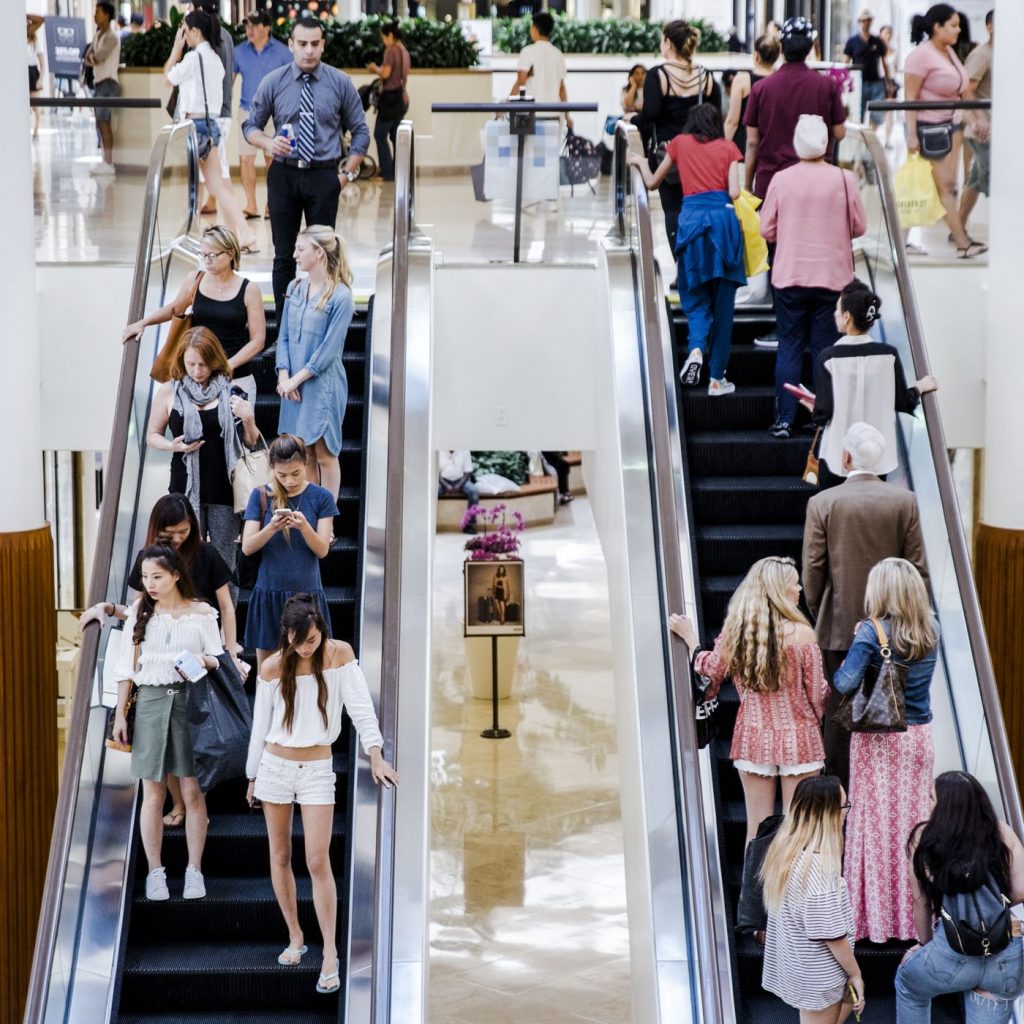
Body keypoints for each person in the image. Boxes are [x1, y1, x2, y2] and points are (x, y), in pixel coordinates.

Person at [246, 596, 397, 994]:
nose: (305, 648)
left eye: (310, 639)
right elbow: (260, 724)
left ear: (321, 630)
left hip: (317, 768)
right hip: (275, 767)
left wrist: (376, 754)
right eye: (297, 642)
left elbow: (361, 707)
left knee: (316, 858)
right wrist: (251, 775)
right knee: (279, 855)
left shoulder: (339, 654)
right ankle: (296, 935)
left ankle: (330, 950)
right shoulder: (273, 665)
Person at [81, 493, 243, 830]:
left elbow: (225, 606)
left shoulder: (206, 555)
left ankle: (194, 802)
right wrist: (108, 608)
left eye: (184, 530)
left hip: (199, 646)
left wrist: (230, 653)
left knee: (200, 734)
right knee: (168, 746)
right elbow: (141, 612)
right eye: (170, 534)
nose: (179, 538)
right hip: (161, 667)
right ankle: (182, 803)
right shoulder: (149, 560)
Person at [668, 556, 827, 849]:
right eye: (795, 584)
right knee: (798, 831)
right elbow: (818, 695)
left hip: (754, 738)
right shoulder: (804, 635)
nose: (800, 589)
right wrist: (816, 718)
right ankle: (793, 895)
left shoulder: (737, 633)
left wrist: (692, 641)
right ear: (780, 592)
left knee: (756, 829)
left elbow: (710, 671)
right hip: (800, 739)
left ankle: (754, 895)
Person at [802, 422, 929, 787]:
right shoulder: (906, 502)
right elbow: (917, 568)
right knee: (890, 708)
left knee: (839, 714)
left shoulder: (822, 503)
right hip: (896, 630)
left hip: (839, 628)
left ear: (844, 458)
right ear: (882, 460)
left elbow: (813, 571)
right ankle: (883, 791)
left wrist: (821, 613)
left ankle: (842, 796)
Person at [111, 544, 224, 901]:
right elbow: (125, 669)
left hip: (192, 705)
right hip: (149, 703)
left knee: (192, 791)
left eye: (157, 576)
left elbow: (219, 660)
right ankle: (155, 872)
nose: (150, 584)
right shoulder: (139, 614)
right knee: (154, 793)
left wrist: (201, 660)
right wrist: (119, 716)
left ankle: (195, 870)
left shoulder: (202, 613)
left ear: (176, 575)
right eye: (145, 577)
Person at [834, 558, 938, 942]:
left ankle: (874, 920)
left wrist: (853, 653)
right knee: (912, 823)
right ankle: (915, 919)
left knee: (874, 827)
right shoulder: (933, 630)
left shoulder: (869, 632)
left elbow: (844, 684)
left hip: (879, 740)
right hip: (918, 737)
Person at [242, 15, 369, 318]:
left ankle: (321, 318)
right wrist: (268, 143)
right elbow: (250, 126)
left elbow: (361, 131)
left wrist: (347, 174)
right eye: (302, 44)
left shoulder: (339, 82)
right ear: (291, 45)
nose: (309, 50)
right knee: (284, 256)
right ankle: (287, 325)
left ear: (323, 45)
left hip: (325, 175)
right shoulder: (274, 81)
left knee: (324, 254)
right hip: (284, 175)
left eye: (314, 44)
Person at [760, 115, 866, 439]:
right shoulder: (845, 179)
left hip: (789, 275)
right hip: (833, 279)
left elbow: (766, 228)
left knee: (789, 345)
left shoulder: (781, 179)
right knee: (825, 348)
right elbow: (859, 227)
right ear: (826, 143)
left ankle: (784, 419)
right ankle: (822, 418)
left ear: (796, 143)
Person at [629, 103, 745, 395]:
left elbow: (654, 182)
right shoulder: (729, 148)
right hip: (723, 224)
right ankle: (717, 378)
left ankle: (695, 349)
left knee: (694, 298)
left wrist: (641, 162)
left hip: (692, 223)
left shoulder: (679, 144)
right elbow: (734, 192)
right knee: (723, 306)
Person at [896, 771, 1024, 1021]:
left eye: (932, 799)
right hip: (1005, 956)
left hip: (952, 953)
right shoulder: (1002, 832)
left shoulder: (925, 838)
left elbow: (920, 901)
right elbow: (1020, 891)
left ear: (944, 807)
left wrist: (924, 945)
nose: (929, 804)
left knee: (909, 986)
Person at [146, 327, 259, 580]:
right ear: (182, 361)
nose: (197, 371)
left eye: (204, 364)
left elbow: (251, 443)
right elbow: (152, 435)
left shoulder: (232, 390)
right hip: (184, 489)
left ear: (215, 361)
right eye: (191, 364)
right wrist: (173, 446)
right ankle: (188, 616)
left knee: (224, 564)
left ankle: (223, 618)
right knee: (184, 561)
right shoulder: (169, 391)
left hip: (224, 490)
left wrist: (248, 418)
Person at [811, 279, 938, 488]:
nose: (834, 314)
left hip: (838, 455)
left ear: (847, 317)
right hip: (877, 457)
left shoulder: (829, 357)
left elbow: (823, 413)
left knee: (834, 512)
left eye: (837, 310)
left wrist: (811, 407)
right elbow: (902, 403)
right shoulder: (889, 355)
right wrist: (919, 387)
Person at [760, 775, 866, 1022]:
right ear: (827, 814)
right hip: (818, 976)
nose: (846, 813)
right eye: (844, 806)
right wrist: (855, 973)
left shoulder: (786, 851)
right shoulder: (818, 867)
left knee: (848, 1002)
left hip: (798, 963)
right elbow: (830, 933)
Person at [123, 225, 266, 400]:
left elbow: (258, 341)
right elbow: (175, 308)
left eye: (212, 255)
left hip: (235, 378)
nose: (207, 260)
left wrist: (227, 365)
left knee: (236, 427)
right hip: (197, 376)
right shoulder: (196, 279)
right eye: (203, 255)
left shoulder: (249, 289)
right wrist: (143, 322)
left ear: (230, 253)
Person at [241, 434, 338, 670]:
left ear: (306, 463)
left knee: (310, 671)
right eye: (282, 475)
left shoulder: (321, 497)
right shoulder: (261, 495)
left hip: (307, 596)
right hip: (269, 592)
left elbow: (322, 549)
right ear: (272, 468)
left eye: (296, 473)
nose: (290, 481)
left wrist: (304, 526)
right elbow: (247, 546)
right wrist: (271, 528)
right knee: (268, 673)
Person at [164, 11, 257, 251]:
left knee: (207, 185)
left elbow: (169, 77)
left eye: (185, 30)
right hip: (211, 124)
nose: (183, 35)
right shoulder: (215, 58)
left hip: (196, 126)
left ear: (194, 31)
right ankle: (240, 233)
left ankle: (217, 233)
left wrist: (176, 49)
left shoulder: (194, 58)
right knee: (217, 185)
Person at [632, 20, 715, 275]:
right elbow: (714, 116)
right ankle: (701, 265)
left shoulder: (659, 75)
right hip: (700, 154)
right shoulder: (705, 76)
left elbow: (650, 115)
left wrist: (631, 122)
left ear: (668, 42)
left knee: (673, 210)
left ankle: (683, 270)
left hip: (668, 155)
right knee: (699, 209)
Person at [276, 226, 353, 499]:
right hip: (292, 385)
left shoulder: (341, 296)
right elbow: (283, 335)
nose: (295, 255)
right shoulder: (294, 288)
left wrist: (296, 380)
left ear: (319, 253)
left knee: (324, 453)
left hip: (322, 385)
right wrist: (284, 377)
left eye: (301, 249)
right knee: (303, 452)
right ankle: (309, 514)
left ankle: (327, 518)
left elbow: (329, 350)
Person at [904, 5, 985, 258]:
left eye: (958, 24)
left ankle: (901, 243)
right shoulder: (921, 56)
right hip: (929, 129)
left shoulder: (947, 52)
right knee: (947, 187)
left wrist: (974, 120)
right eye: (953, 25)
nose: (958, 29)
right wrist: (912, 135)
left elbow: (961, 93)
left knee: (922, 187)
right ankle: (962, 243)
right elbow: (910, 97)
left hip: (945, 127)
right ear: (937, 27)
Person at [743, 17, 847, 201]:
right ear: (809, 49)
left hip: (771, 183)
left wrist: (748, 185)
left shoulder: (761, 88)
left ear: (782, 48)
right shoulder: (826, 85)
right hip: (817, 184)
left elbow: (752, 143)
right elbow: (839, 133)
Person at [233, 10, 292, 219]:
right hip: (248, 113)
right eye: (247, 25)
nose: (249, 30)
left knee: (272, 162)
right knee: (246, 161)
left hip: (274, 115)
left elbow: (292, 83)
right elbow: (229, 81)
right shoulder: (239, 52)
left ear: (266, 28)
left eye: (254, 26)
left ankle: (271, 205)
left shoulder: (284, 52)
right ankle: (251, 205)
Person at [188, 0, 235, 218]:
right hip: (221, 113)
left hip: (211, 117)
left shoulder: (208, 41)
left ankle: (239, 230)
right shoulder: (225, 35)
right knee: (216, 172)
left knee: (220, 175)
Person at [959, 10, 993, 237]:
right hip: (982, 132)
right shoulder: (982, 54)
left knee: (974, 182)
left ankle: (958, 227)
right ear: (990, 27)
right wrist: (979, 118)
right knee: (992, 179)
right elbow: (966, 90)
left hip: (993, 130)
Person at [366, 22, 411, 182]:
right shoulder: (404, 51)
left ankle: (387, 172)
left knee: (379, 134)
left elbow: (385, 74)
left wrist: (374, 68)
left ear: (390, 35)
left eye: (383, 38)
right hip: (402, 99)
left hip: (390, 100)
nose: (383, 41)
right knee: (394, 136)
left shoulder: (391, 51)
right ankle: (398, 171)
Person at [723, 34, 779, 157]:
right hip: (773, 150)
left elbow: (732, 121)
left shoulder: (742, 80)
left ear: (756, 56)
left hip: (742, 148)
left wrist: (724, 150)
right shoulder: (781, 80)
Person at [84, 2, 121, 176]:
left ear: (106, 15)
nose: (95, 15)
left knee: (104, 122)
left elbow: (97, 57)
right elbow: (87, 57)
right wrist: (92, 58)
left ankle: (108, 163)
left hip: (108, 83)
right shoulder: (98, 35)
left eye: (98, 12)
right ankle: (104, 161)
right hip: (99, 83)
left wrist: (92, 58)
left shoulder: (112, 37)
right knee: (100, 122)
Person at [512, 12, 570, 116]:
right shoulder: (558, 54)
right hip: (554, 114)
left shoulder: (527, 52)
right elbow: (561, 88)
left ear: (534, 29)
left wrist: (507, 104)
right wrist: (567, 116)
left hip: (532, 114)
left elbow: (520, 81)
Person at [844, 10, 893, 128]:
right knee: (857, 114)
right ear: (859, 22)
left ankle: (871, 136)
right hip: (859, 83)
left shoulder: (877, 41)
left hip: (875, 82)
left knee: (877, 115)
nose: (865, 23)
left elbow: (884, 62)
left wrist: (889, 81)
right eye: (863, 20)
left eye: (868, 20)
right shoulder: (852, 41)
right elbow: (846, 62)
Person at [438, 450, 480, 518]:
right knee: (431, 492)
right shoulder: (438, 451)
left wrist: (459, 485)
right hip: (442, 481)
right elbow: (434, 472)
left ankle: (470, 524)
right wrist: (445, 484)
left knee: (474, 491)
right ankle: (429, 524)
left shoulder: (464, 450)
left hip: (461, 480)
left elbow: (468, 471)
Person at [879, 24, 899, 147]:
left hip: (891, 83)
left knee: (889, 113)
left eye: (890, 33)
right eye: (886, 33)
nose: (888, 36)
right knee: (875, 112)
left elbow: (895, 69)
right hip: (878, 82)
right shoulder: (876, 50)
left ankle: (887, 139)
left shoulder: (894, 52)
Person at [27, 15, 45, 138]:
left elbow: (42, 63)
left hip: (32, 71)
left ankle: (36, 129)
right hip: (22, 70)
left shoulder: (35, 41)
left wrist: (40, 79)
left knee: (35, 104)